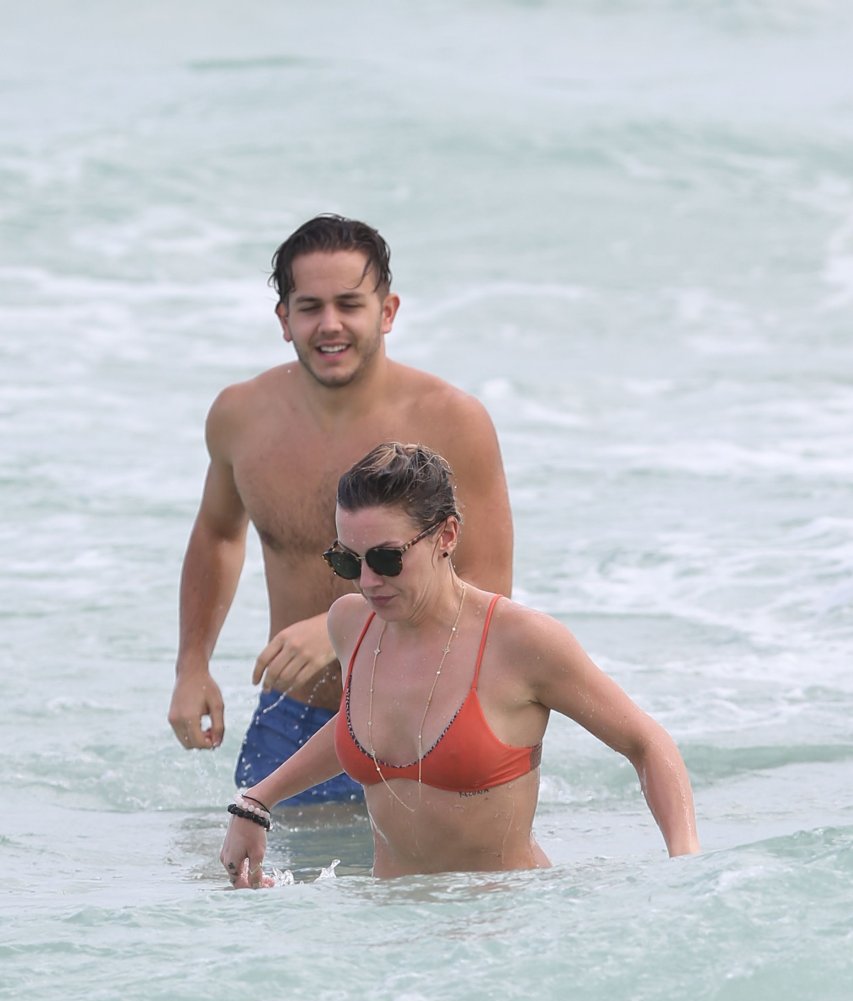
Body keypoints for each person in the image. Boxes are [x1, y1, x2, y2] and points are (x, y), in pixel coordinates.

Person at [219, 443, 700, 886]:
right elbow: (365, 724)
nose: (366, 581)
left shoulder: (519, 641)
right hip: (388, 923)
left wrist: (686, 869)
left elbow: (647, 743)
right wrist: (259, 800)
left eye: (386, 559)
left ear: (445, 536)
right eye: (348, 561)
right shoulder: (351, 624)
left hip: (503, 922)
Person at [168, 215, 512, 804]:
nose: (330, 324)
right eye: (310, 307)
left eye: (350, 304)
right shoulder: (241, 418)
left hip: (424, 712)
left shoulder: (452, 421)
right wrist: (191, 666)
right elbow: (218, 536)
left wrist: (347, 629)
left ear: (387, 312)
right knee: (247, 859)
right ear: (284, 319)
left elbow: (491, 591)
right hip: (292, 716)